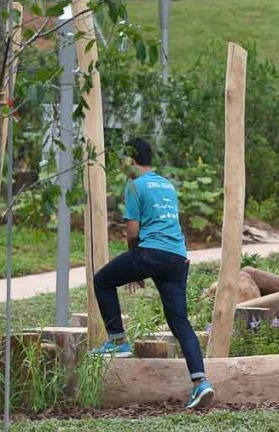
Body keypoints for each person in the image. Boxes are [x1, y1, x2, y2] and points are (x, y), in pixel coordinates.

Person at [90, 138, 214, 409]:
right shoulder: (167, 185)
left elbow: (133, 233)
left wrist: (136, 266)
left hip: (151, 253)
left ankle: (118, 341)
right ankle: (201, 383)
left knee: (101, 281)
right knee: (180, 323)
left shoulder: (135, 185)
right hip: (177, 257)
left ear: (130, 160)